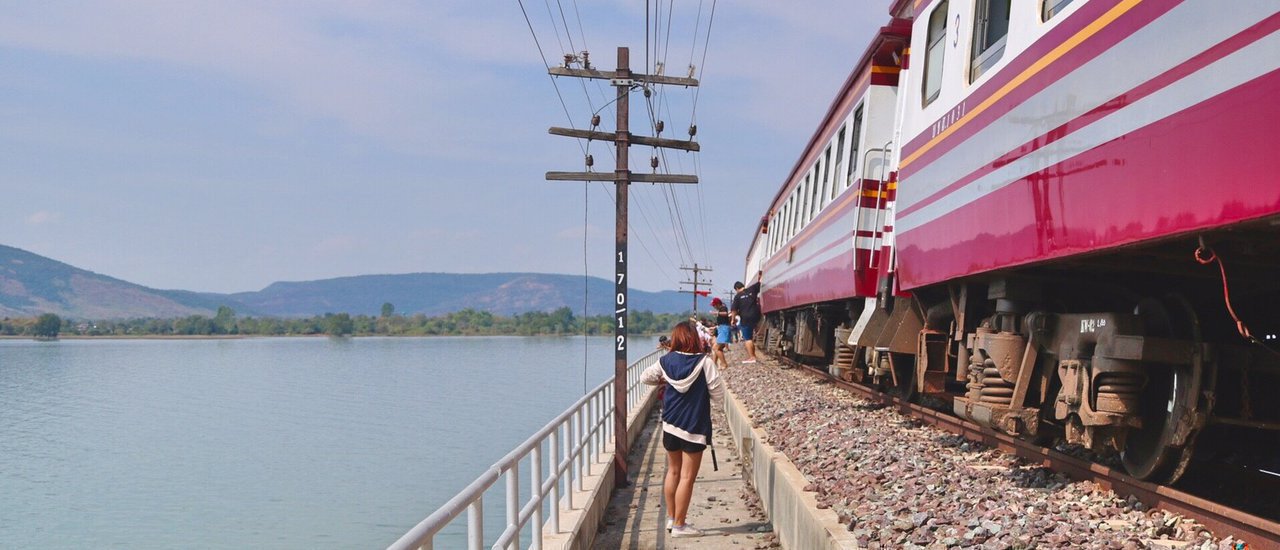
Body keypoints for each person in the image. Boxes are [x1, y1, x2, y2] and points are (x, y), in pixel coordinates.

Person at [641, 321, 725, 538]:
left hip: (670, 424)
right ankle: (680, 526)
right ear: (694, 339)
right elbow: (718, 394)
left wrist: (664, 380)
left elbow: (644, 377)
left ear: (676, 338)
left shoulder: (665, 361)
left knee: (673, 472)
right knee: (687, 477)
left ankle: (672, 518)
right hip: (694, 427)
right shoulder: (705, 362)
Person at [730, 280, 762, 363]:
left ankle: (752, 357)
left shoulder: (737, 296)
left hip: (745, 318)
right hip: (756, 316)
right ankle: (754, 356)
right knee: (751, 338)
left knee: (748, 338)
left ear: (737, 289)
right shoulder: (752, 289)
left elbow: (734, 310)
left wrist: (733, 320)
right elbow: (760, 281)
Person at [709, 297, 731, 369]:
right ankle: (714, 364)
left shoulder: (723, 308)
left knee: (716, 348)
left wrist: (716, 313)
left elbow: (725, 313)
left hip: (724, 329)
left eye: (714, 305)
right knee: (718, 348)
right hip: (721, 328)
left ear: (717, 304)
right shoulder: (720, 309)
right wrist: (715, 327)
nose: (713, 307)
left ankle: (724, 364)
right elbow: (723, 321)